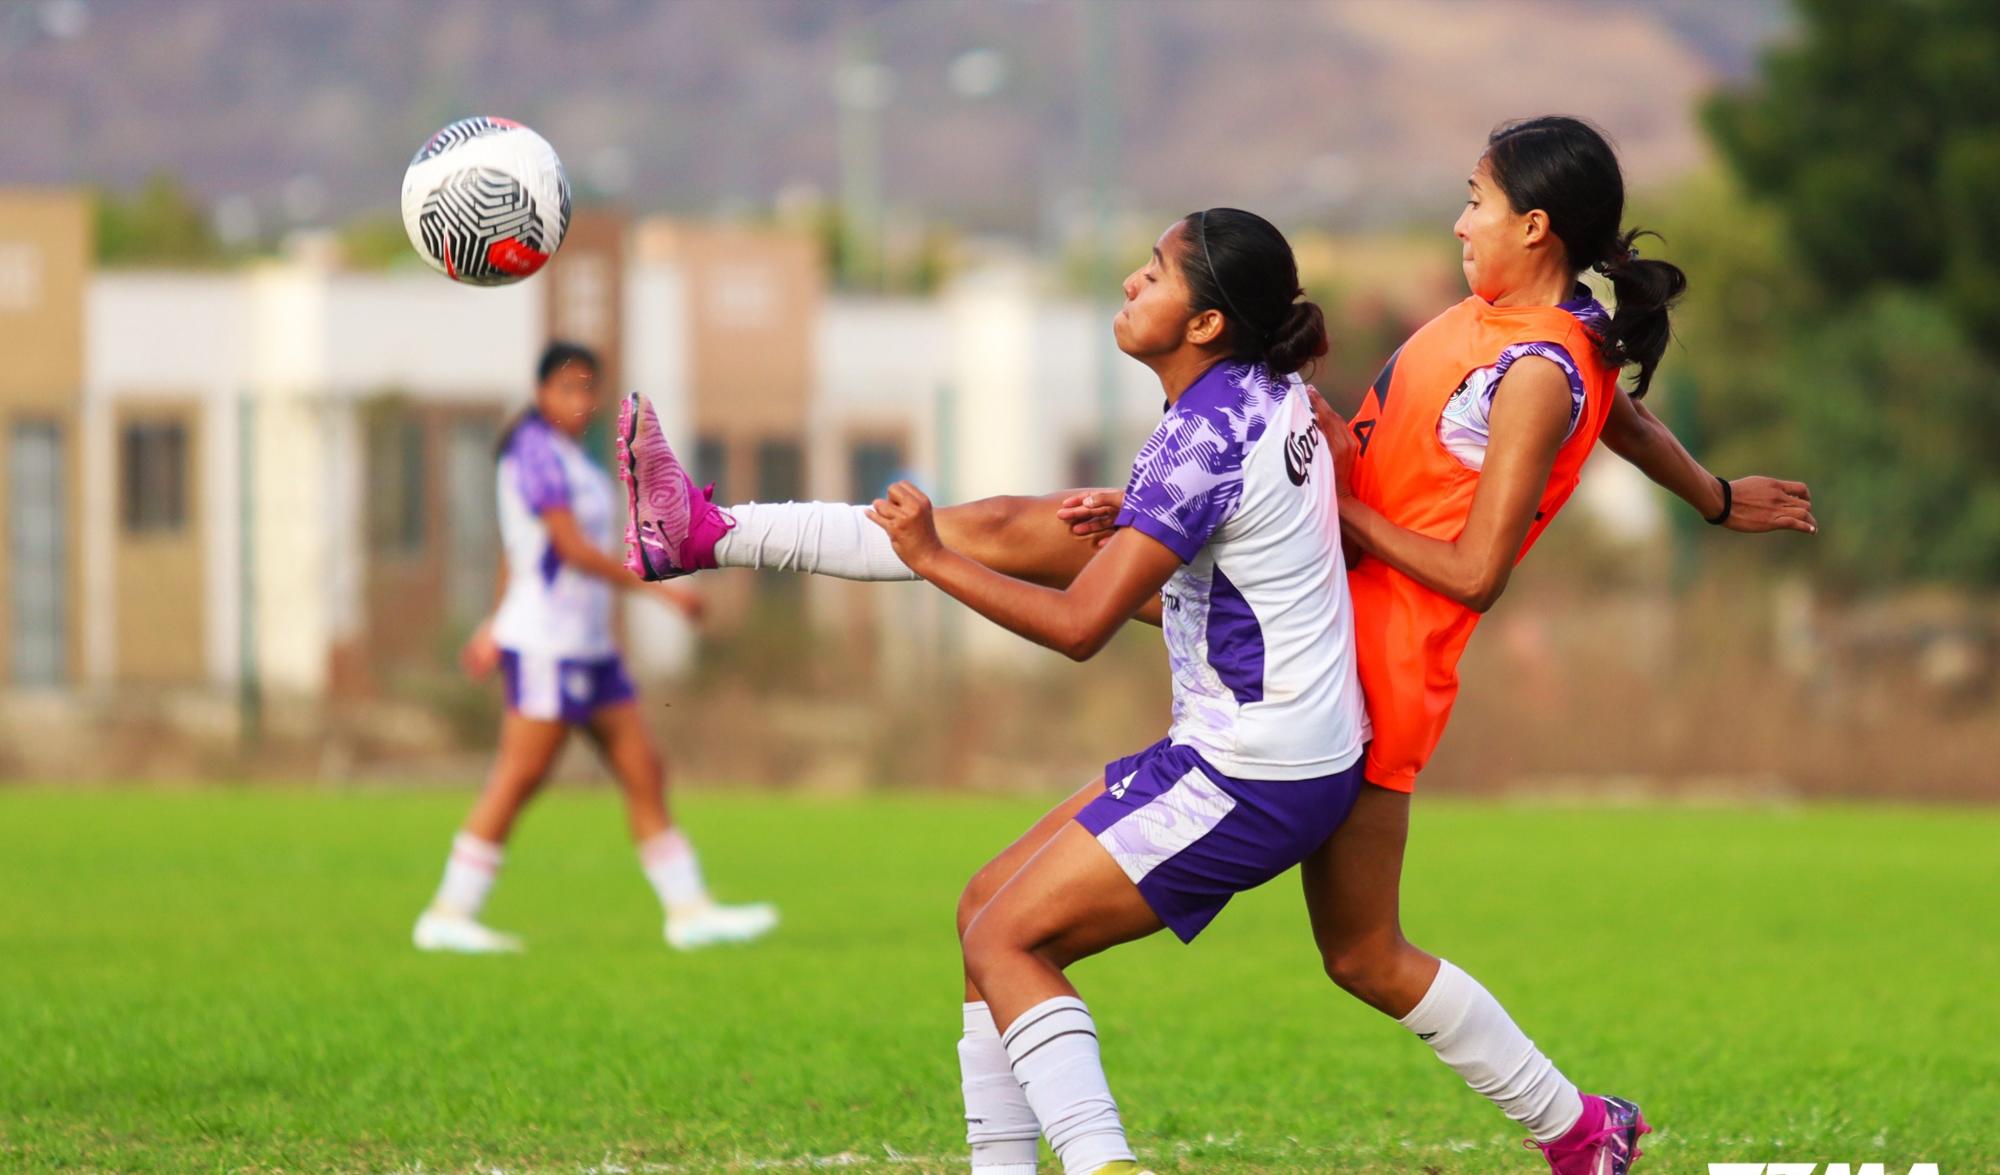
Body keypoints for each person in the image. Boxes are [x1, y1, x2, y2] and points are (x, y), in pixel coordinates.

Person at [618, 118, 1816, 1174]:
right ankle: (708, 529)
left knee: (1352, 950)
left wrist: (1305, 507)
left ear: (1535, 225)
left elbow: (1478, 563)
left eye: (1475, 201)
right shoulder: (1514, 325)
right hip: (1308, 616)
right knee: (1018, 535)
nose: (1458, 219)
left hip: (1364, 659)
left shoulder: (1534, 365)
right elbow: (1622, 406)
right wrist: (1709, 495)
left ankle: (1564, 1128)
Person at [633, 207, 1366, 1175]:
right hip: (1272, 749)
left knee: (1009, 937)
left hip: (1251, 769)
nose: (1129, 283)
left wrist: (931, 559)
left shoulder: (1203, 438)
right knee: (982, 907)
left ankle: (1104, 1162)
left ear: (1205, 325)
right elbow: (1241, 566)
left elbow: (1076, 630)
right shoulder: (1266, 395)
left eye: (1155, 272)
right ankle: (707, 533)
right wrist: (1131, 530)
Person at [412, 341, 777, 955]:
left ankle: (689, 911)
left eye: (589, 388)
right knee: (521, 776)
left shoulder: (572, 458)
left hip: (589, 646)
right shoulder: (533, 452)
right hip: (549, 644)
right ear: (541, 392)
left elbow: (515, 551)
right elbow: (566, 550)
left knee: (644, 770)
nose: (581, 401)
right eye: (568, 387)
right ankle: (448, 913)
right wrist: (660, 595)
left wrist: (491, 622)